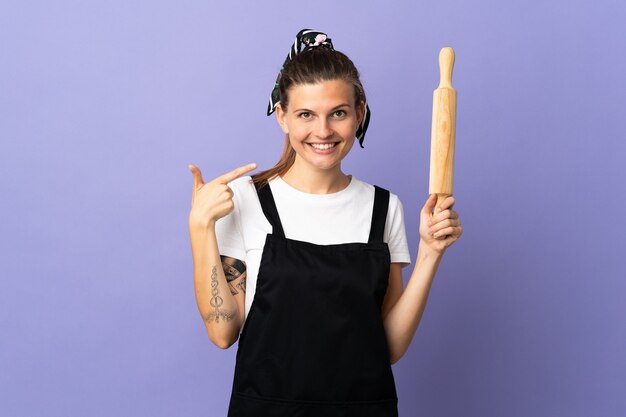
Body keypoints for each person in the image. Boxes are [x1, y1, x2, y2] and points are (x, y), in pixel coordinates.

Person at [188, 29, 463, 417]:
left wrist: (431, 253)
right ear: (282, 117)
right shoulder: (247, 200)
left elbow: (389, 348)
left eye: (338, 113)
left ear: (359, 114)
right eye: (306, 115)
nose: (323, 132)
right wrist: (200, 228)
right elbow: (221, 332)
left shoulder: (383, 208)